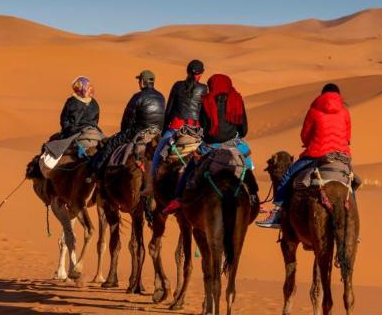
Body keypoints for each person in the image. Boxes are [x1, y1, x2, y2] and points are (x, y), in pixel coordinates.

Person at [256, 82, 351, 228]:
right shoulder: (345, 112)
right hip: (341, 155)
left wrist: (309, 143)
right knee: (351, 182)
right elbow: (347, 136)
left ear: (322, 95)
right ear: (339, 96)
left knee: (288, 175)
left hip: (317, 153)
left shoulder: (315, 109)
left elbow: (305, 135)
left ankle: (278, 213)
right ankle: (351, 224)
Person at [163, 74, 257, 213]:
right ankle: (254, 197)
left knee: (189, 168)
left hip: (211, 146)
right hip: (234, 144)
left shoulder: (206, 100)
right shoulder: (237, 99)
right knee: (247, 167)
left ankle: (177, 199)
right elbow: (244, 130)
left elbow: (204, 129)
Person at [86, 70, 165, 180]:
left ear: (142, 82)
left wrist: (123, 133)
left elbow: (127, 118)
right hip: (156, 134)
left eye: (139, 81)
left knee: (110, 144)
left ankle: (94, 172)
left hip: (138, 132)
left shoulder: (138, 96)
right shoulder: (161, 97)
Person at [149, 60, 208, 190]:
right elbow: (204, 114)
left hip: (176, 129)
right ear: (201, 74)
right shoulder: (204, 89)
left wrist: (164, 132)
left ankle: (151, 185)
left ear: (187, 71)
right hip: (195, 131)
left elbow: (169, 110)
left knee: (158, 154)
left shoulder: (177, 86)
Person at [53, 76, 101, 140]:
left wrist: (68, 130)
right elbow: (96, 120)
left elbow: (64, 119)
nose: (89, 88)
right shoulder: (95, 103)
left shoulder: (71, 101)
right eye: (87, 86)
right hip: (94, 131)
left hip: (73, 132)